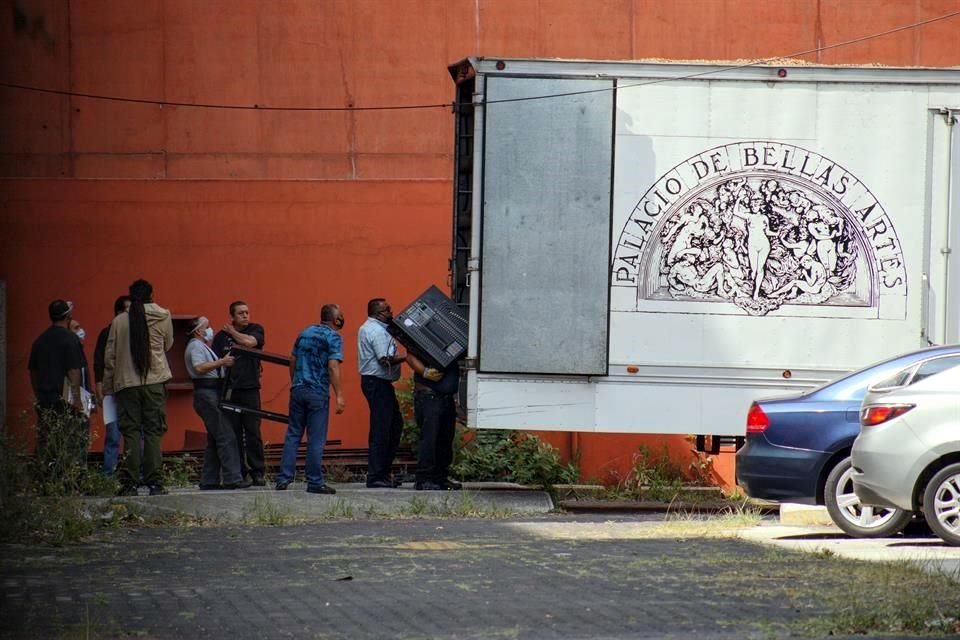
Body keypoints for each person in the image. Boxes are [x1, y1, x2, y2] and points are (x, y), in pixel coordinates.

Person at [103, 279, 174, 496]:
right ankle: (155, 483)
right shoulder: (163, 315)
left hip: (126, 383)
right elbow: (168, 344)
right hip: (154, 380)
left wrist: (108, 387)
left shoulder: (119, 321)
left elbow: (110, 357)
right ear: (152, 295)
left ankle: (130, 483)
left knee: (131, 432)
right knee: (153, 432)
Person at [275, 303, 346, 495]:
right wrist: (339, 394)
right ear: (334, 319)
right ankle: (314, 481)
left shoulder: (304, 333)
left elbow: (292, 360)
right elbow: (333, 366)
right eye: (340, 316)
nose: (342, 319)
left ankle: (284, 478)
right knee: (316, 438)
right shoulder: (333, 337)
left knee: (293, 435)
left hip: (298, 389)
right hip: (317, 391)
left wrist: (295, 382)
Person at [185, 316, 246, 490]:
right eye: (207, 327)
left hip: (210, 392)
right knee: (226, 436)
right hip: (207, 393)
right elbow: (199, 367)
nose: (209, 330)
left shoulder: (200, 346)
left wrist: (222, 363)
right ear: (198, 331)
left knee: (214, 438)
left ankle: (209, 479)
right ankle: (232, 478)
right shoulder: (196, 346)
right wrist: (222, 362)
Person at [28, 300, 86, 474]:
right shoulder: (71, 339)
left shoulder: (40, 340)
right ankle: (68, 476)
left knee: (46, 439)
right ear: (68, 316)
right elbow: (74, 370)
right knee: (69, 440)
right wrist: (76, 399)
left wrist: (38, 393)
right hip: (65, 399)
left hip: (45, 398)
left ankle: (45, 476)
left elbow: (33, 371)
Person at [212, 301, 266, 486]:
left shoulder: (256, 329)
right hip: (230, 389)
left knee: (253, 431)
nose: (245, 315)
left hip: (250, 387)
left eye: (247, 312)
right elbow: (216, 360)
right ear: (233, 316)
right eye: (241, 313)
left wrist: (232, 332)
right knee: (234, 432)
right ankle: (240, 472)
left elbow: (250, 342)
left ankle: (258, 471)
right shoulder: (220, 338)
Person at [358, 298, 406, 489]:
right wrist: (408, 356)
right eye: (388, 310)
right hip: (377, 382)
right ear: (378, 313)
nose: (391, 312)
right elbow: (384, 359)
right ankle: (377, 476)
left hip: (377, 383)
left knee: (393, 426)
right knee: (382, 430)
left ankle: (382, 473)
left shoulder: (372, 328)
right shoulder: (376, 331)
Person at [405, 353, 462, 491]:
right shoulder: (422, 335)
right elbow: (410, 355)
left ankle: (440, 478)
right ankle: (424, 479)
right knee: (430, 438)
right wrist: (424, 372)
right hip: (429, 395)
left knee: (445, 439)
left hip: (445, 396)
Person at [94, 295, 131, 475]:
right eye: (127, 310)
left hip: (130, 389)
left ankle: (133, 473)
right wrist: (99, 384)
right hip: (111, 390)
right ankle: (108, 474)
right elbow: (99, 360)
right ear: (118, 313)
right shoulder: (106, 333)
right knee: (113, 433)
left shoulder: (134, 333)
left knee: (133, 434)